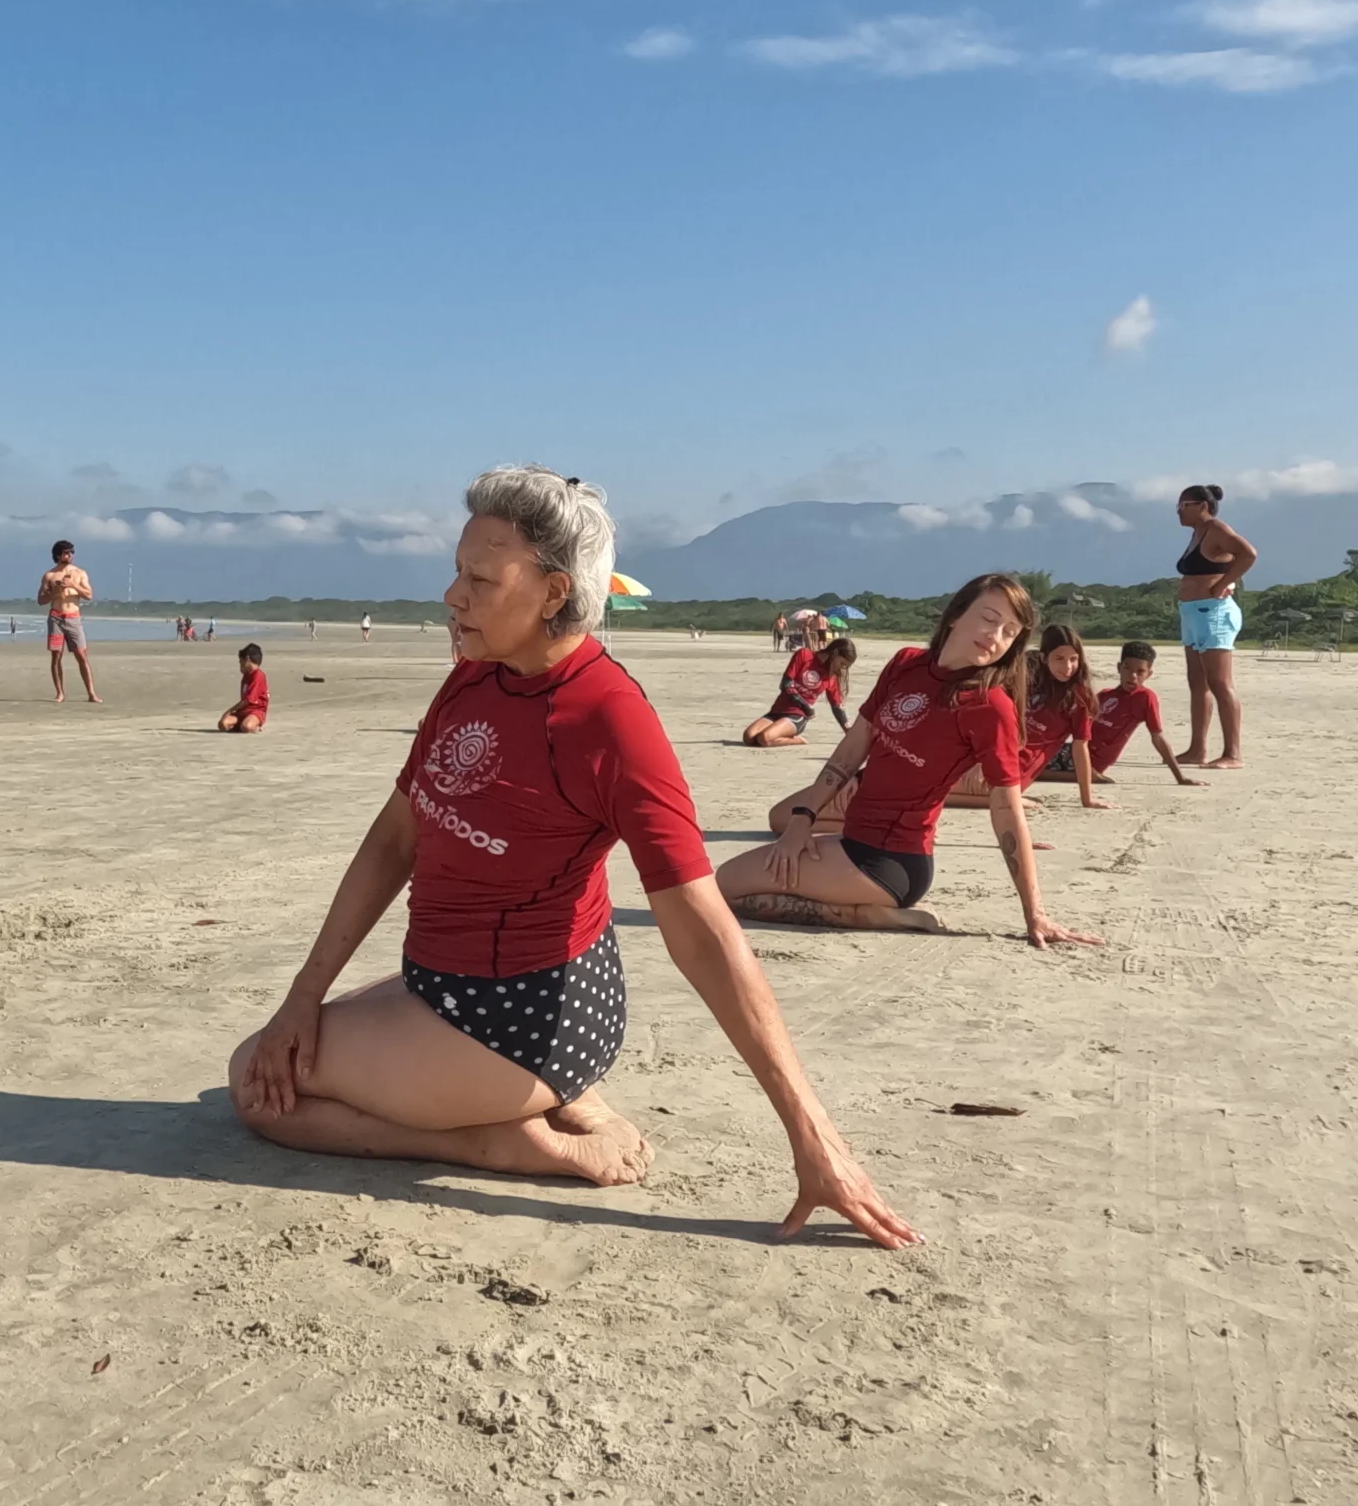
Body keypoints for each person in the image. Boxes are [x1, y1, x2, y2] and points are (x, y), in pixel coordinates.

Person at [229, 466, 916, 1247]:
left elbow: (705, 931)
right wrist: (301, 994)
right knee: (291, 1041)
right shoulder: (472, 676)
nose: (454, 596)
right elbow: (396, 837)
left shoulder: (610, 720)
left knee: (254, 1083)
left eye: (480, 579)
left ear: (554, 592)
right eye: (457, 572)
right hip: (446, 986)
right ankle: (545, 1101)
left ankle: (494, 1140)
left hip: (521, 1021)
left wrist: (812, 1134)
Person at [715, 574, 1103, 946]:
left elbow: (1006, 808)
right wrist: (803, 819)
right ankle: (856, 905)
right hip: (854, 836)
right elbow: (852, 750)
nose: (995, 636)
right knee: (734, 878)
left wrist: (1034, 913)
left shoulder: (990, 705)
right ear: (956, 615)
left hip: (891, 862)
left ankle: (864, 915)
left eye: (1010, 632)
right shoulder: (906, 663)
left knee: (725, 887)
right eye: (989, 619)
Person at [1172, 484, 1257, 769]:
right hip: (1192, 613)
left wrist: (1222, 584)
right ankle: (1198, 749)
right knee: (1197, 681)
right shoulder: (1196, 534)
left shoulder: (1217, 528)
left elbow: (1248, 554)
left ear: (1202, 506)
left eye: (1184, 505)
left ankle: (1233, 753)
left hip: (1214, 613)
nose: (1178, 511)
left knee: (1220, 683)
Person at [1074, 642, 1197, 786]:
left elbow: (1157, 737)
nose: (1133, 676)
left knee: (1042, 768)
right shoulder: (1104, 695)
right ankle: (1087, 775)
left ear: (1149, 674)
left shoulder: (1144, 697)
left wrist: (1180, 778)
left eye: (1140, 672)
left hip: (1092, 759)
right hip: (1075, 752)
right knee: (1041, 760)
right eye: (1127, 668)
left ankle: (1090, 775)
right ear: (1119, 668)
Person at [1016, 624, 1109, 811]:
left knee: (946, 787)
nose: (1067, 667)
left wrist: (1087, 799)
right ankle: (1008, 801)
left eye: (1074, 659)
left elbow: (1080, 747)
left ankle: (1007, 801)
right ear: (1044, 658)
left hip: (1016, 772)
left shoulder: (1079, 698)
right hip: (992, 759)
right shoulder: (1028, 683)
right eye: (1059, 658)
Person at [742, 637, 857, 747]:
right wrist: (807, 706)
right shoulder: (804, 655)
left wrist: (849, 732)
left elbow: (836, 706)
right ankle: (779, 733)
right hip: (778, 710)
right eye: (842, 663)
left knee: (765, 738)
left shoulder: (832, 676)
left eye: (846, 666)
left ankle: (796, 740)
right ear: (835, 653)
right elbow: (786, 684)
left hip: (797, 715)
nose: (842, 668)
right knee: (749, 737)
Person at [38, 541, 100, 704]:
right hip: (56, 617)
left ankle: (91, 693)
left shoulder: (79, 573)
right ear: (58, 555)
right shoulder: (49, 575)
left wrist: (72, 584)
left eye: (71, 552)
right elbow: (41, 600)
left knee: (81, 655)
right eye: (66, 553)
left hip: (73, 616)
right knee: (56, 655)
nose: (70, 555)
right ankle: (60, 693)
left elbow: (89, 595)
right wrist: (56, 592)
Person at [218, 642, 270, 732]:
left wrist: (230, 710)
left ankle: (256, 727)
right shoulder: (246, 675)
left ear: (246, 659)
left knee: (247, 726)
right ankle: (238, 725)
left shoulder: (258, 676)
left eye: (241, 662)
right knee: (223, 724)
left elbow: (249, 699)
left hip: (256, 711)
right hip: (243, 711)